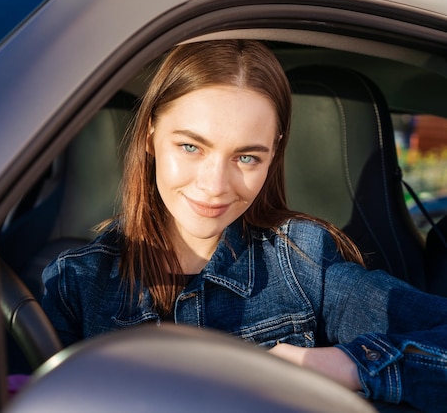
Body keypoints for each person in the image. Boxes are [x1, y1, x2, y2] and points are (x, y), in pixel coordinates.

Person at [41, 40, 447, 411]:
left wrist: (345, 365)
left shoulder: (301, 261)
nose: (214, 186)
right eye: (190, 147)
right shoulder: (77, 281)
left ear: (273, 155)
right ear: (150, 136)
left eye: (247, 157)